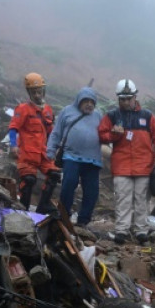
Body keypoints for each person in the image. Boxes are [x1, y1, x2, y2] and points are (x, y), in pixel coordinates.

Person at [98, 79, 155, 244]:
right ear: (118, 99)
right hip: (121, 166)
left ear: (135, 97)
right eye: (123, 99)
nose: (126, 102)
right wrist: (114, 135)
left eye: (129, 98)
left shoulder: (147, 116)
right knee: (123, 198)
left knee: (142, 200)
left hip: (144, 166)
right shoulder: (112, 116)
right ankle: (122, 230)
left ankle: (141, 231)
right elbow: (101, 134)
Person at [47, 87, 103, 227]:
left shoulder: (98, 115)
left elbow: (106, 133)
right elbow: (56, 132)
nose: (89, 104)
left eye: (92, 101)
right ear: (79, 101)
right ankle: (64, 215)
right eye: (86, 101)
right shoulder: (67, 111)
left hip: (92, 160)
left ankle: (83, 220)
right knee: (68, 184)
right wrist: (50, 149)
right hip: (71, 157)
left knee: (92, 191)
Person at [9, 72, 60, 213]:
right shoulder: (23, 109)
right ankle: (23, 209)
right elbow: (13, 128)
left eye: (39, 92)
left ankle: (43, 205)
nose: (37, 95)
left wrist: (54, 148)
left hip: (43, 153)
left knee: (54, 175)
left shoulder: (48, 110)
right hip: (27, 153)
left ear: (43, 91)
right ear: (29, 93)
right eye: (34, 92)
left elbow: (51, 132)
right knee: (29, 179)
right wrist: (13, 145)